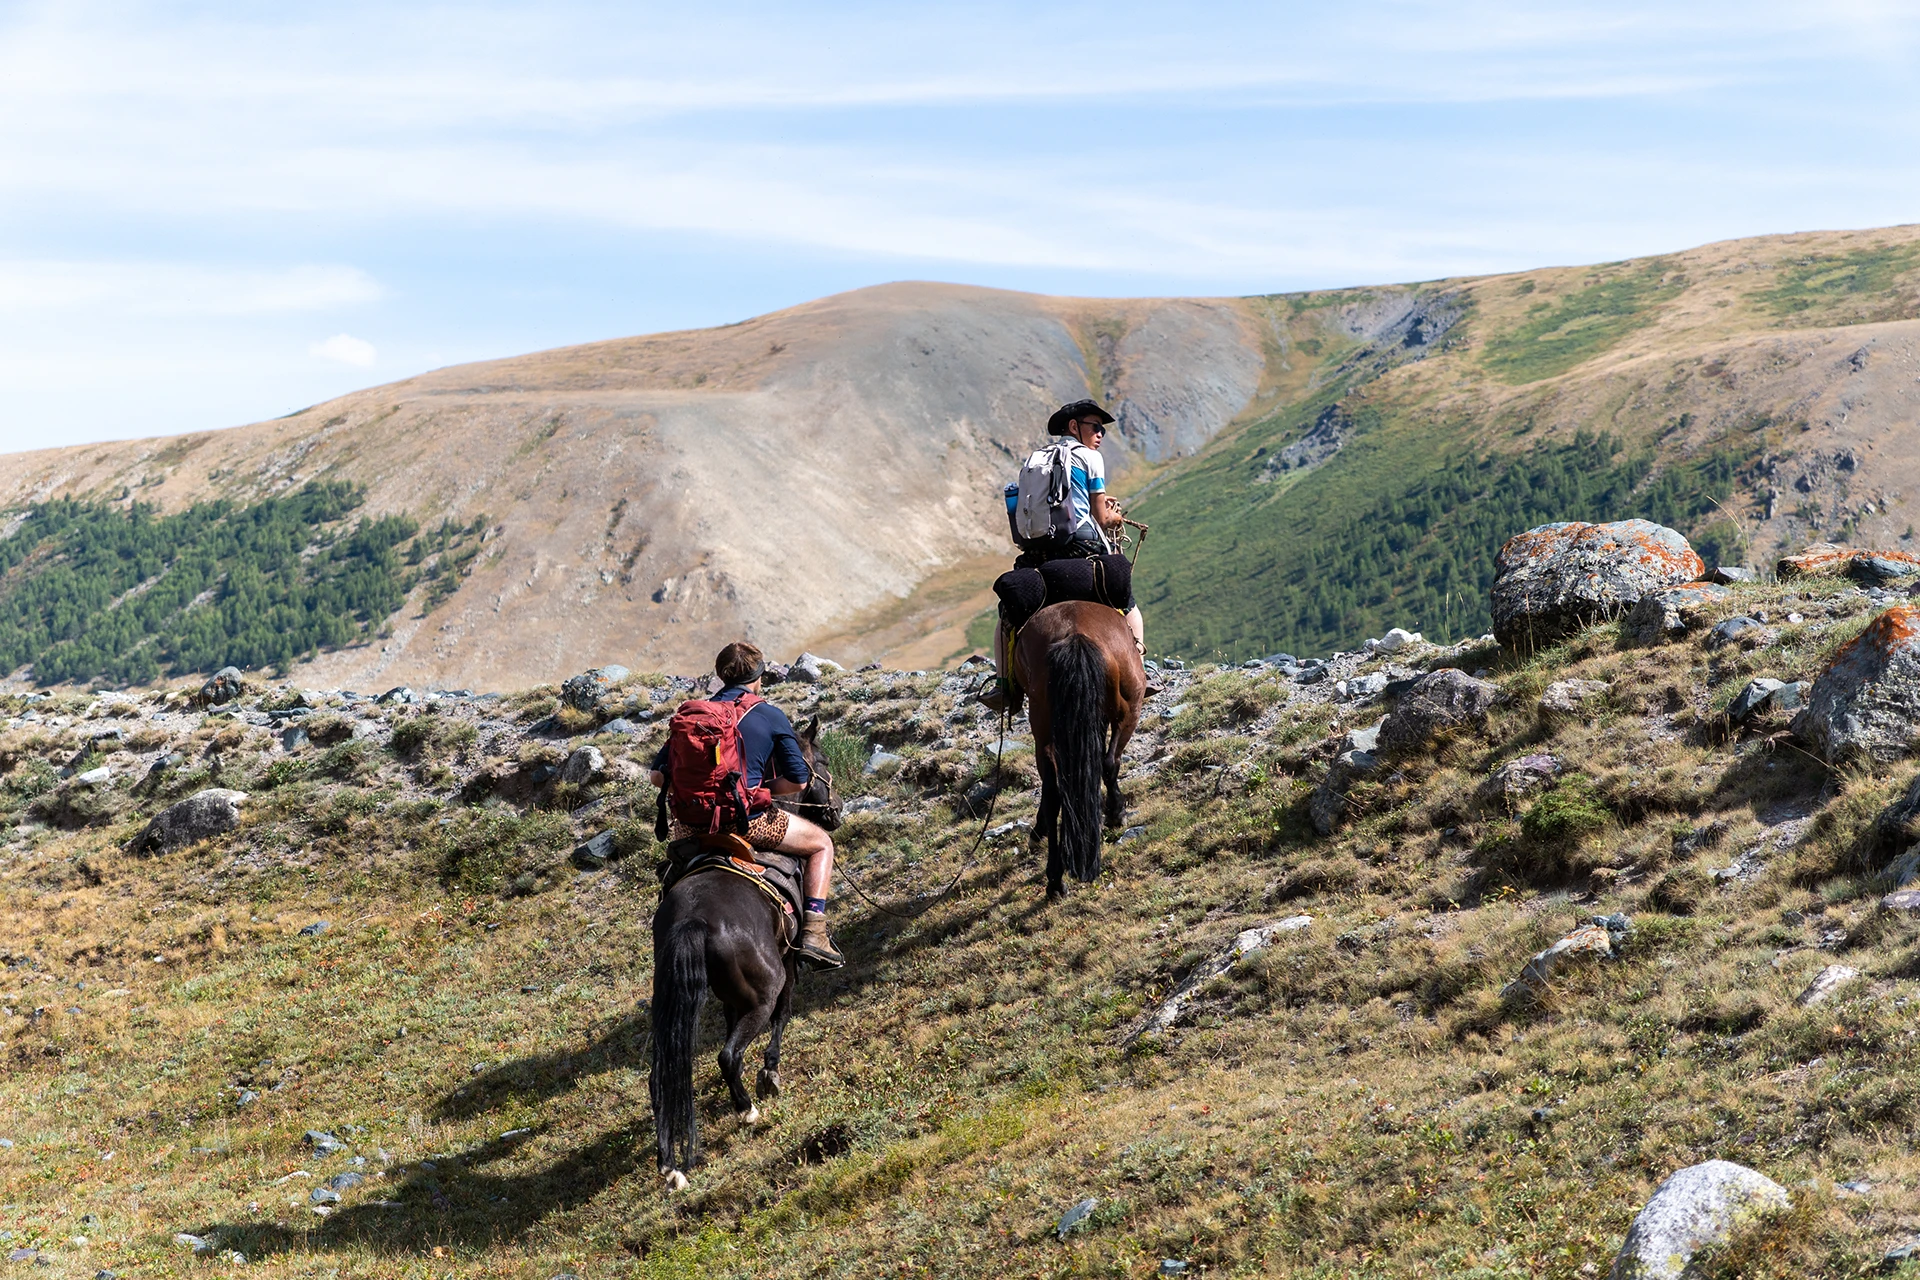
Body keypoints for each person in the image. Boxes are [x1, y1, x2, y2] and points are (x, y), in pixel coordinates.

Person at [651, 642, 844, 968]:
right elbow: (798, 781)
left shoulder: (693, 715)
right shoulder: (768, 714)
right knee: (821, 844)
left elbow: (657, 776)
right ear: (759, 677)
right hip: (748, 822)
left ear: (721, 676)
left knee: (674, 875)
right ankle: (815, 933)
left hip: (691, 826)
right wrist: (754, 791)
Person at [982, 398, 1146, 712]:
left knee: (1007, 616)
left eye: (1102, 429)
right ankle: (1141, 673)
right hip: (1083, 548)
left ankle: (1004, 686)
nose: (1100, 434)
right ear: (1074, 426)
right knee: (1128, 604)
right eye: (1095, 427)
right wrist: (1115, 516)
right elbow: (1100, 518)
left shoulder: (1036, 458)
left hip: (1039, 555)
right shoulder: (1090, 457)